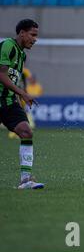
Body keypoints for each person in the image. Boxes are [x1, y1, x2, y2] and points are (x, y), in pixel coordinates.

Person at [0, 19, 44, 189]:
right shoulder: (8, 46)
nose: (35, 39)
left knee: (26, 132)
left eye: (36, 36)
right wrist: (24, 93)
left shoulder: (22, 54)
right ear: (22, 33)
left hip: (9, 100)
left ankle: (25, 180)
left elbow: (12, 78)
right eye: (32, 35)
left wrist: (19, 96)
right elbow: (1, 74)